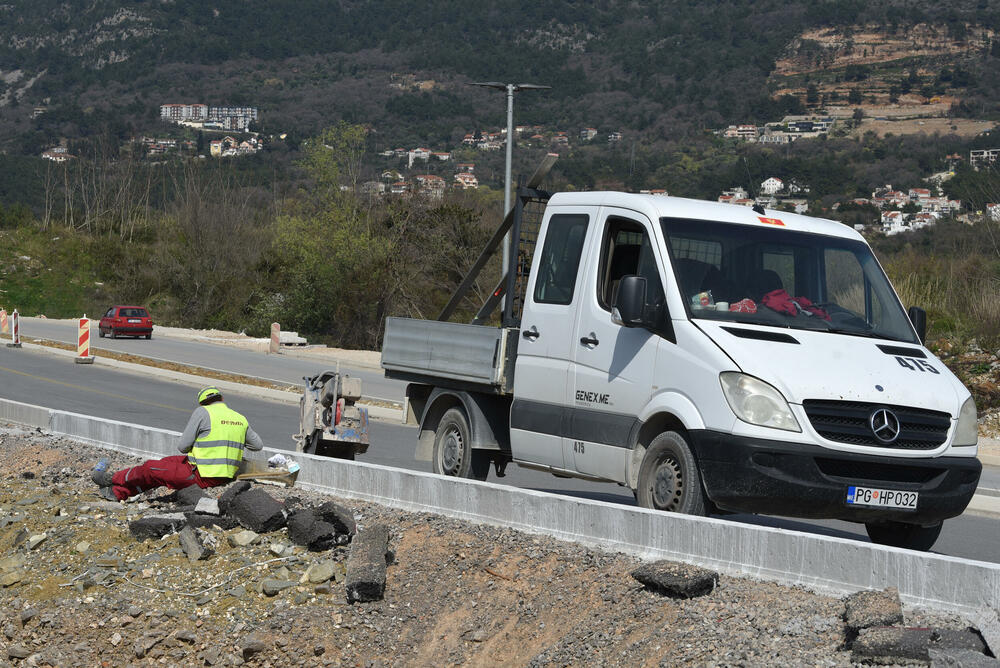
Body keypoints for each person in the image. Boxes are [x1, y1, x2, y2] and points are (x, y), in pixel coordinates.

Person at [91, 386, 264, 501]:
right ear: (222, 399)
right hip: (220, 473)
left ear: (203, 402)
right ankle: (117, 493)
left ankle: (110, 479)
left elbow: (183, 446)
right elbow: (257, 445)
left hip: (202, 475)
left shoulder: (203, 412)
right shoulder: (240, 418)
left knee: (152, 468)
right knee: (165, 463)